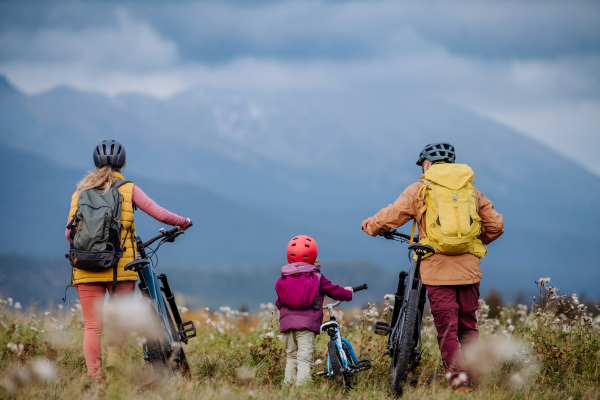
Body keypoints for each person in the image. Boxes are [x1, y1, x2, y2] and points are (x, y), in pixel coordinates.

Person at [361, 142, 504, 392]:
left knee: (447, 329)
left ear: (427, 165)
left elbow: (391, 215)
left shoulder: (420, 189)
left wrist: (370, 226)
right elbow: (496, 226)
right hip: (470, 270)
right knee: (468, 326)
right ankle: (477, 381)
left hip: (436, 270)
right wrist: (472, 243)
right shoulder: (472, 191)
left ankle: (460, 381)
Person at [65, 140, 191, 381]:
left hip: (85, 266)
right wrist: (182, 222)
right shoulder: (128, 188)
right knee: (121, 317)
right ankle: (114, 356)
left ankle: (96, 378)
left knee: (92, 325)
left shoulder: (79, 193)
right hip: (120, 268)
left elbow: (69, 234)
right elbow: (160, 213)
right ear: (122, 163)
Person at [275, 235, 353, 386]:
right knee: (304, 358)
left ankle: (287, 387)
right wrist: (348, 293)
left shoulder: (283, 278)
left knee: (291, 357)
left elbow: (279, 303)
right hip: (306, 326)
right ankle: (301, 391)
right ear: (313, 256)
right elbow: (334, 291)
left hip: (288, 326)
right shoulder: (317, 277)